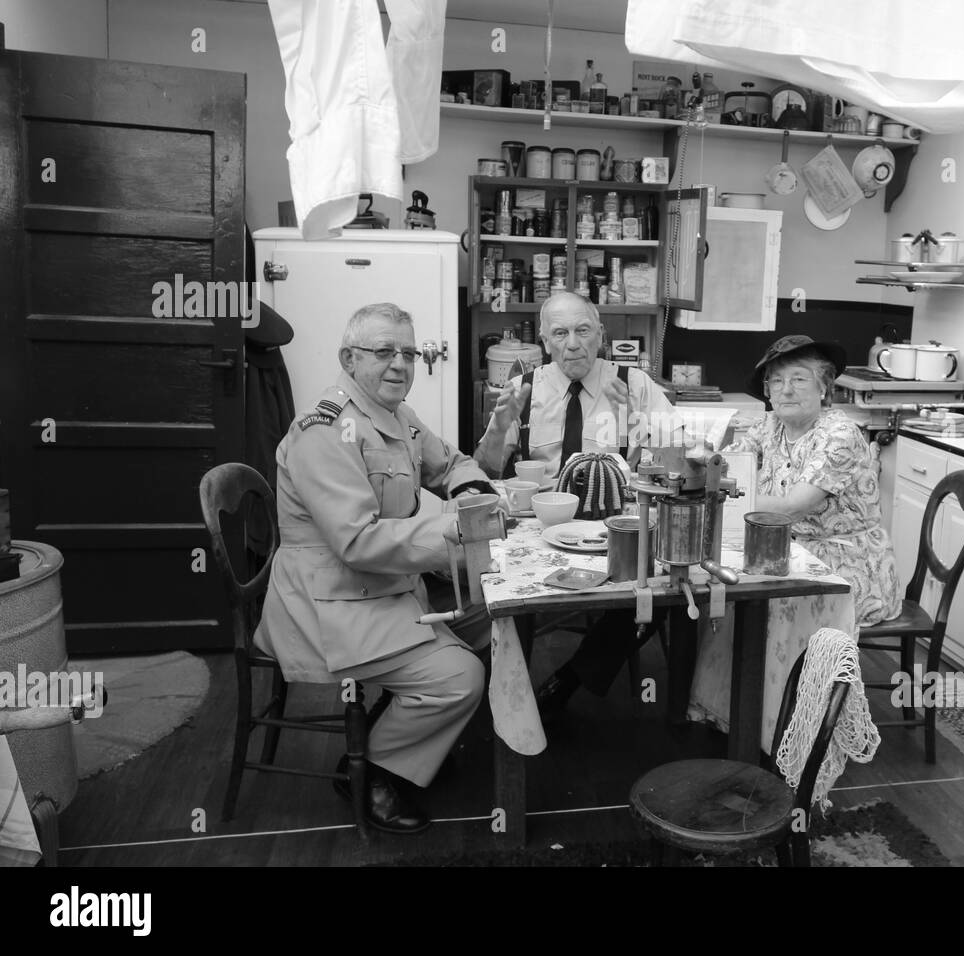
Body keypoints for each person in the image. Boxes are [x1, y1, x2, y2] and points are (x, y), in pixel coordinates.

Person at [255, 302, 493, 834]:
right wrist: (453, 531)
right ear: (348, 357)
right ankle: (371, 773)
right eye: (384, 352)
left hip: (382, 586)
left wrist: (473, 494)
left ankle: (411, 735)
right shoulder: (325, 430)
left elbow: (450, 464)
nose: (400, 364)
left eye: (408, 353)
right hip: (328, 601)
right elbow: (357, 541)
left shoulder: (394, 414)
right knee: (461, 677)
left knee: (489, 619)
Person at [474, 291, 682, 716]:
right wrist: (498, 426)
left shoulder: (635, 383)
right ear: (546, 342)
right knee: (504, 592)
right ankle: (505, 701)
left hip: (616, 529)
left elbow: (678, 459)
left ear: (600, 335)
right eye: (561, 333)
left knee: (659, 593)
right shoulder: (523, 389)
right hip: (538, 530)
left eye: (583, 331)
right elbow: (486, 470)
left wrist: (642, 427)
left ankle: (565, 683)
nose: (573, 343)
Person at [726, 334, 902, 626]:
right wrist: (704, 461)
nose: (786, 390)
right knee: (727, 605)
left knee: (754, 615)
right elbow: (726, 467)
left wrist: (726, 495)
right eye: (777, 381)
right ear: (767, 391)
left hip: (843, 569)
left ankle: (790, 672)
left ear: (823, 387)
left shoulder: (839, 435)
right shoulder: (768, 425)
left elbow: (792, 508)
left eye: (799, 380)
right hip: (785, 556)